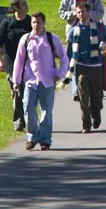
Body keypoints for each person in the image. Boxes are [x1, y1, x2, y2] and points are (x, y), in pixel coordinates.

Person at [13, 11, 68, 150]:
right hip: (30, 81)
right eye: (33, 22)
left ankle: (45, 139)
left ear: (43, 23)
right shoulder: (25, 39)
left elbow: (63, 58)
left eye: (38, 22)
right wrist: (16, 80)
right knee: (28, 108)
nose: (35, 25)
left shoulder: (51, 39)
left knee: (46, 111)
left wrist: (60, 74)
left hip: (47, 81)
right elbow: (18, 61)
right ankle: (32, 137)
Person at [67, 0, 106, 133]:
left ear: (89, 12)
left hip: (96, 67)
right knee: (83, 97)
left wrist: (105, 46)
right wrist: (70, 66)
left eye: (82, 12)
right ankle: (86, 124)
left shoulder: (99, 27)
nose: (80, 14)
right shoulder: (73, 31)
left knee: (97, 97)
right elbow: (69, 51)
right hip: (81, 67)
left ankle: (96, 114)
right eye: (78, 12)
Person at [0, 0, 33, 131]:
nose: (26, 6)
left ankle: (29, 120)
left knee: (28, 94)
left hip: (29, 64)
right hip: (11, 64)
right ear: (16, 8)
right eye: (23, 4)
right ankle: (19, 121)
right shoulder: (7, 24)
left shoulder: (31, 23)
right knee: (17, 93)